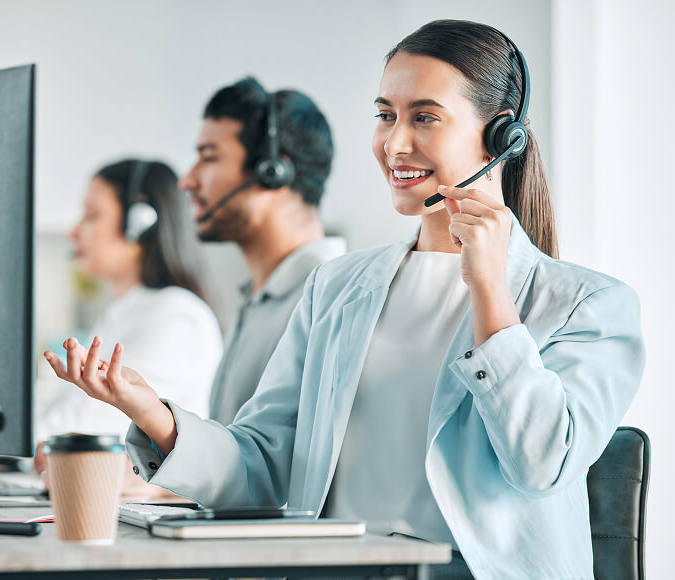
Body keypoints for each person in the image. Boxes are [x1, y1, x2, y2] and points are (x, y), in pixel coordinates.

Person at [45, 20, 644, 580]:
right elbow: (261, 470)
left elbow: (543, 467)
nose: (395, 143)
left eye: (425, 118)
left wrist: (488, 287)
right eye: (386, 115)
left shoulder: (589, 306)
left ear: (500, 133)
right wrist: (151, 411)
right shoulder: (337, 287)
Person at [34, 159, 223, 496]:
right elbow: (53, 419)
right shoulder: (122, 312)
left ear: (140, 224)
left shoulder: (175, 317)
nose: (74, 231)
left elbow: (78, 431)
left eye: (92, 215)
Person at [181, 77, 346, 425]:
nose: (188, 180)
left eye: (209, 158)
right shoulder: (260, 298)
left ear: (272, 172)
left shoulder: (327, 301)